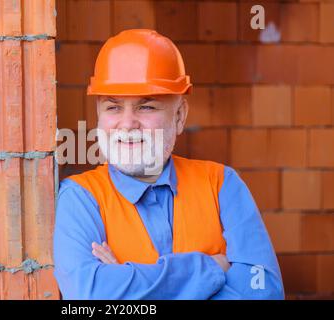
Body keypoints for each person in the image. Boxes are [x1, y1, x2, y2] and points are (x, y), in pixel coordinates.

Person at [53, 29, 285, 299]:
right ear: (98, 115)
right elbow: (91, 297)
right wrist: (210, 268)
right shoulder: (80, 198)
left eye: (147, 107)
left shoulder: (221, 183)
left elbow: (263, 292)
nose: (127, 124)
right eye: (113, 107)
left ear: (180, 116)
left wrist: (128, 285)